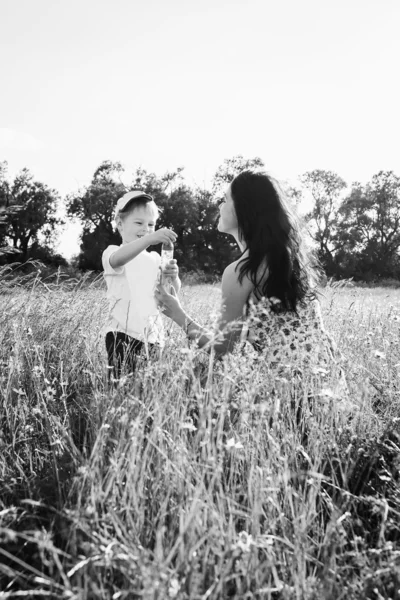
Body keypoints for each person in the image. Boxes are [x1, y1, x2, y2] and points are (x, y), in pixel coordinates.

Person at [155, 170, 341, 377]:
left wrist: (177, 313)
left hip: (288, 386)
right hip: (327, 379)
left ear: (243, 209)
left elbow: (223, 349)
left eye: (225, 200)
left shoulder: (241, 272)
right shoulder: (288, 258)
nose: (220, 205)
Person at [102, 190, 179, 379]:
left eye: (151, 224)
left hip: (152, 336)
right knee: (121, 385)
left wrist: (173, 278)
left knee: (148, 389)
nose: (146, 229)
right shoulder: (113, 252)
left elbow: (167, 294)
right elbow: (118, 260)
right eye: (139, 223)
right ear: (120, 224)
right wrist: (150, 239)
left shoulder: (155, 259)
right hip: (121, 333)